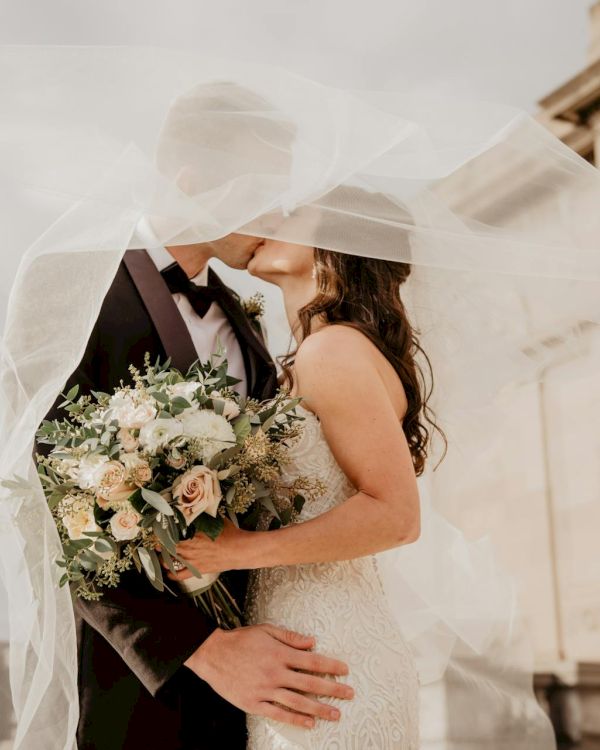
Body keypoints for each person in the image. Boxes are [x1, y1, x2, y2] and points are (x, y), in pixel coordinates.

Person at [170, 239, 445, 748]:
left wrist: (235, 550)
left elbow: (397, 515)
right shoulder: (314, 351)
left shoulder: (334, 349)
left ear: (335, 244)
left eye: (291, 212)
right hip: (300, 643)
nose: (266, 218)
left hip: (329, 651)